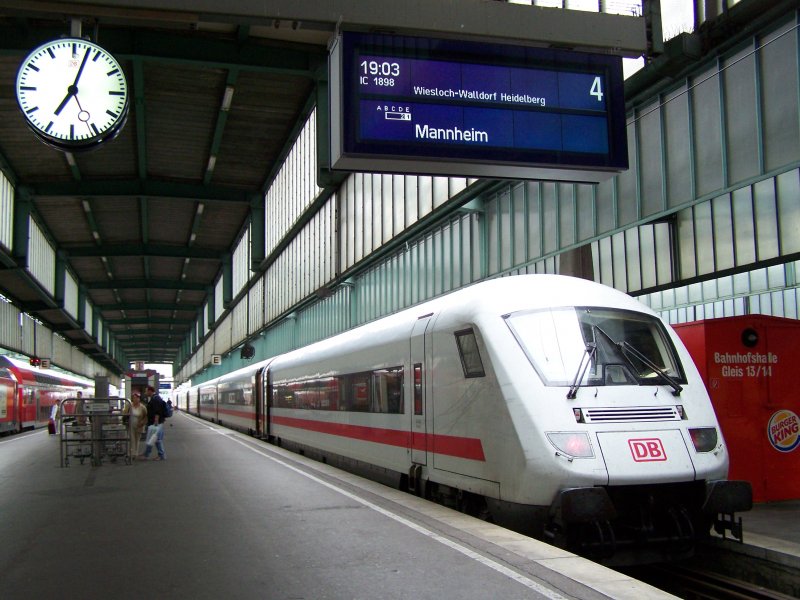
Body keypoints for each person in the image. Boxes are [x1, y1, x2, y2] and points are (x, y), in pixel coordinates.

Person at [142, 386, 167, 461]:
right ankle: (146, 454)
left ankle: (161, 455)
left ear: (150, 391)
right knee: (152, 438)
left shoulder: (155, 399)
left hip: (156, 422)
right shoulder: (155, 398)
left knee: (157, 439)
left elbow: (157, 411)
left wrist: (156, 420)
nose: (145, 393)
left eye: (146, 391)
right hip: (156, 422)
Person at [127, 392, 148, 459]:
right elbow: (125, 414)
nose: (135, 399)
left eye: (137, 398)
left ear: (139, 399)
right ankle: (131, 453)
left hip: (139, 425)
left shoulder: (142, 407)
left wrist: (142, 423)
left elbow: (146, 416)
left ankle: (135, 453)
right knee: (131, 438)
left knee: (137, 439)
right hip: (130, 424)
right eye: (134, 398)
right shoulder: (129, 406)